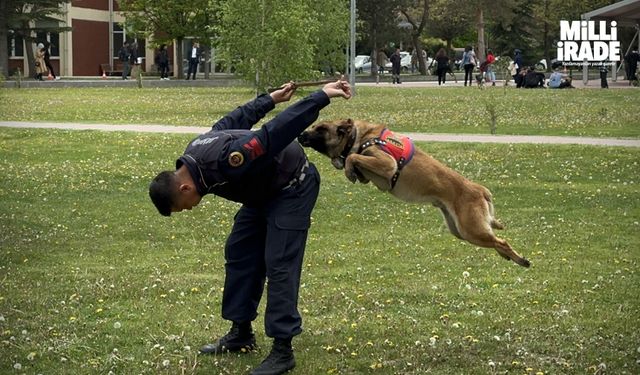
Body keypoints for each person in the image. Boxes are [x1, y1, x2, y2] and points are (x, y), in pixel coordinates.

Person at [149, 79, 352, 375]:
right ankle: (241, 332)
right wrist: (270, 98)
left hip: (293, 186)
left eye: (183, 206)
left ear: (183, 187)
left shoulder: (228, 162)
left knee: (280, 262)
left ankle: (283, 350)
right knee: (240, 251)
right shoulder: (196, 151)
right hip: (262, 192)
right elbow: (234, 120)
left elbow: (276, 132)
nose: (189, 208)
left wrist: (320, 97)